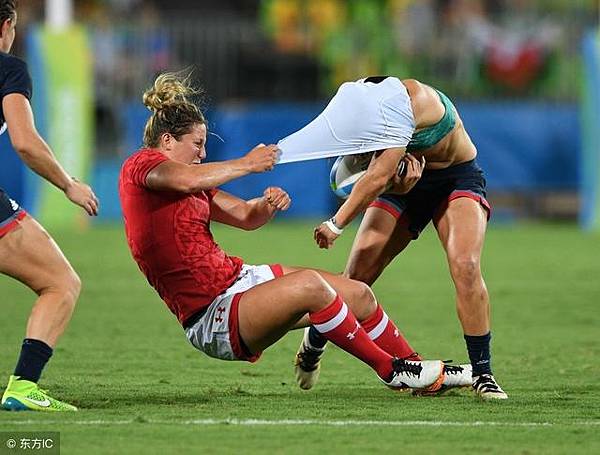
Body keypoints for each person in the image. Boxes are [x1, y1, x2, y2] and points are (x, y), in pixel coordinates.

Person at [118, 71, 453, 394]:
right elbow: (186, 179)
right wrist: (248, 163)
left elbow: (245, 216)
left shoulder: (194, 185)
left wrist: (266, 205)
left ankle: (417, 367)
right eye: (197, 144)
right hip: (212, 315)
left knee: (359, 294)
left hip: (240, 280)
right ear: (167, 141)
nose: (202, 154)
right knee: (312, 286)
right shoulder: (140, 165)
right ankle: (392, 371)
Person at [278, 75, 508, 399]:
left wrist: (336, 224)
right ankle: (314, 342)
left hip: (455, 178)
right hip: (404, 184)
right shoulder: (367, 103)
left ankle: (483, 373)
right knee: (355, 279)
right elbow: (376, 169)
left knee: (466, 265)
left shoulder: (406, 104)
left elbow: (378, 174)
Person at [1, 0, 99, 412]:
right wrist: (68, 184)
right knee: (61, 282)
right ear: (6, 25)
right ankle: (23, 387)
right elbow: (24, 141)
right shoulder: (8, 68)